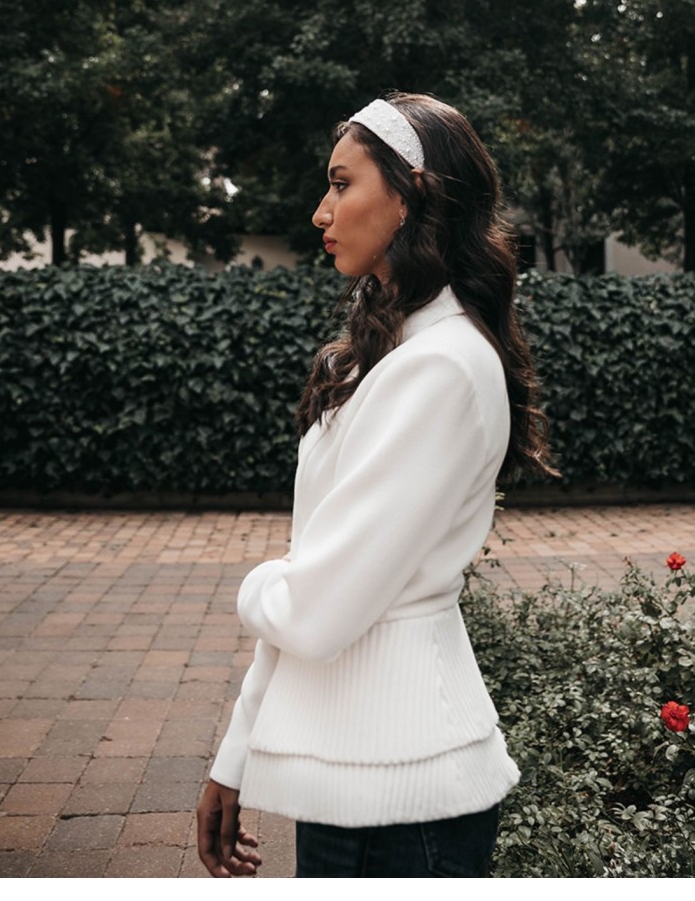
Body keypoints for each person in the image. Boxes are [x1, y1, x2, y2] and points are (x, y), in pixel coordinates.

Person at [196, 93, 554, 878]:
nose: (322, 212)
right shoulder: (384, 354)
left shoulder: (441, 367)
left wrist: (257, 584)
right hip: (348, 775)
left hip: (412, 787)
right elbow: (322, 579)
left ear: (410, 194)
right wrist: (237, 750)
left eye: (341, 184)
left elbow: (317, 607)